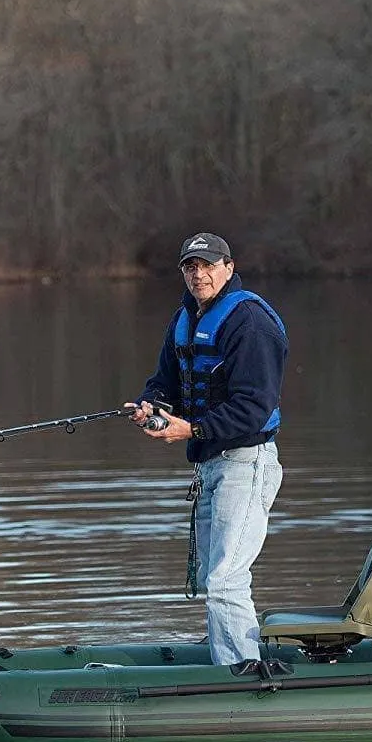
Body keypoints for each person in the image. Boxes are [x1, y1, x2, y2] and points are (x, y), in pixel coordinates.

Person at [126, 232, 288, 667]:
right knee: (211, 578)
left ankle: (243, 675)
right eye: (190, 266)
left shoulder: (250, 322)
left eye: (208, 265)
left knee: (225, 578)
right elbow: (166, 380)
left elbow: (255, 408)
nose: (199, 274)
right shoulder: (185, 318)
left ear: (229, 268)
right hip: (209, 466)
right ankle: (228, 661)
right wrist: (152, 407)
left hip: (246, 462)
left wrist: (191, 429)